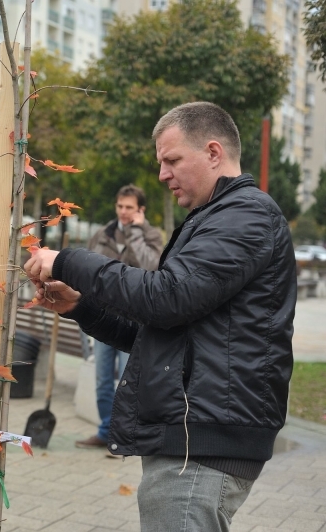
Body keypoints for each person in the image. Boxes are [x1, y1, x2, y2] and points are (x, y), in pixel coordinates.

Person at [24, 102, 296, 531]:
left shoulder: (245, 215)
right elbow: (161, 329)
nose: (162, 175)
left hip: (202, 442)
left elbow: (166, 299)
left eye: (171, 160)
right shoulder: (212, 218)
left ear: (212, 152)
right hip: (191, 434)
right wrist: (81, 307)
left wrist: (68, 261)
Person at [75, 184, 163, 453]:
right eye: (120, 206)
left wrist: (136, 233)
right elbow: (87, 272)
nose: (123, 212)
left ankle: (123, 438)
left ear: (141, 210)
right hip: (104, 317)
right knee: (102, 378)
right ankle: (105, 430)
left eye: (129, 208)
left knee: (129, 380)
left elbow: (152, 268)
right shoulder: (103, 234)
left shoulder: (152, 235)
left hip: (135, 322)